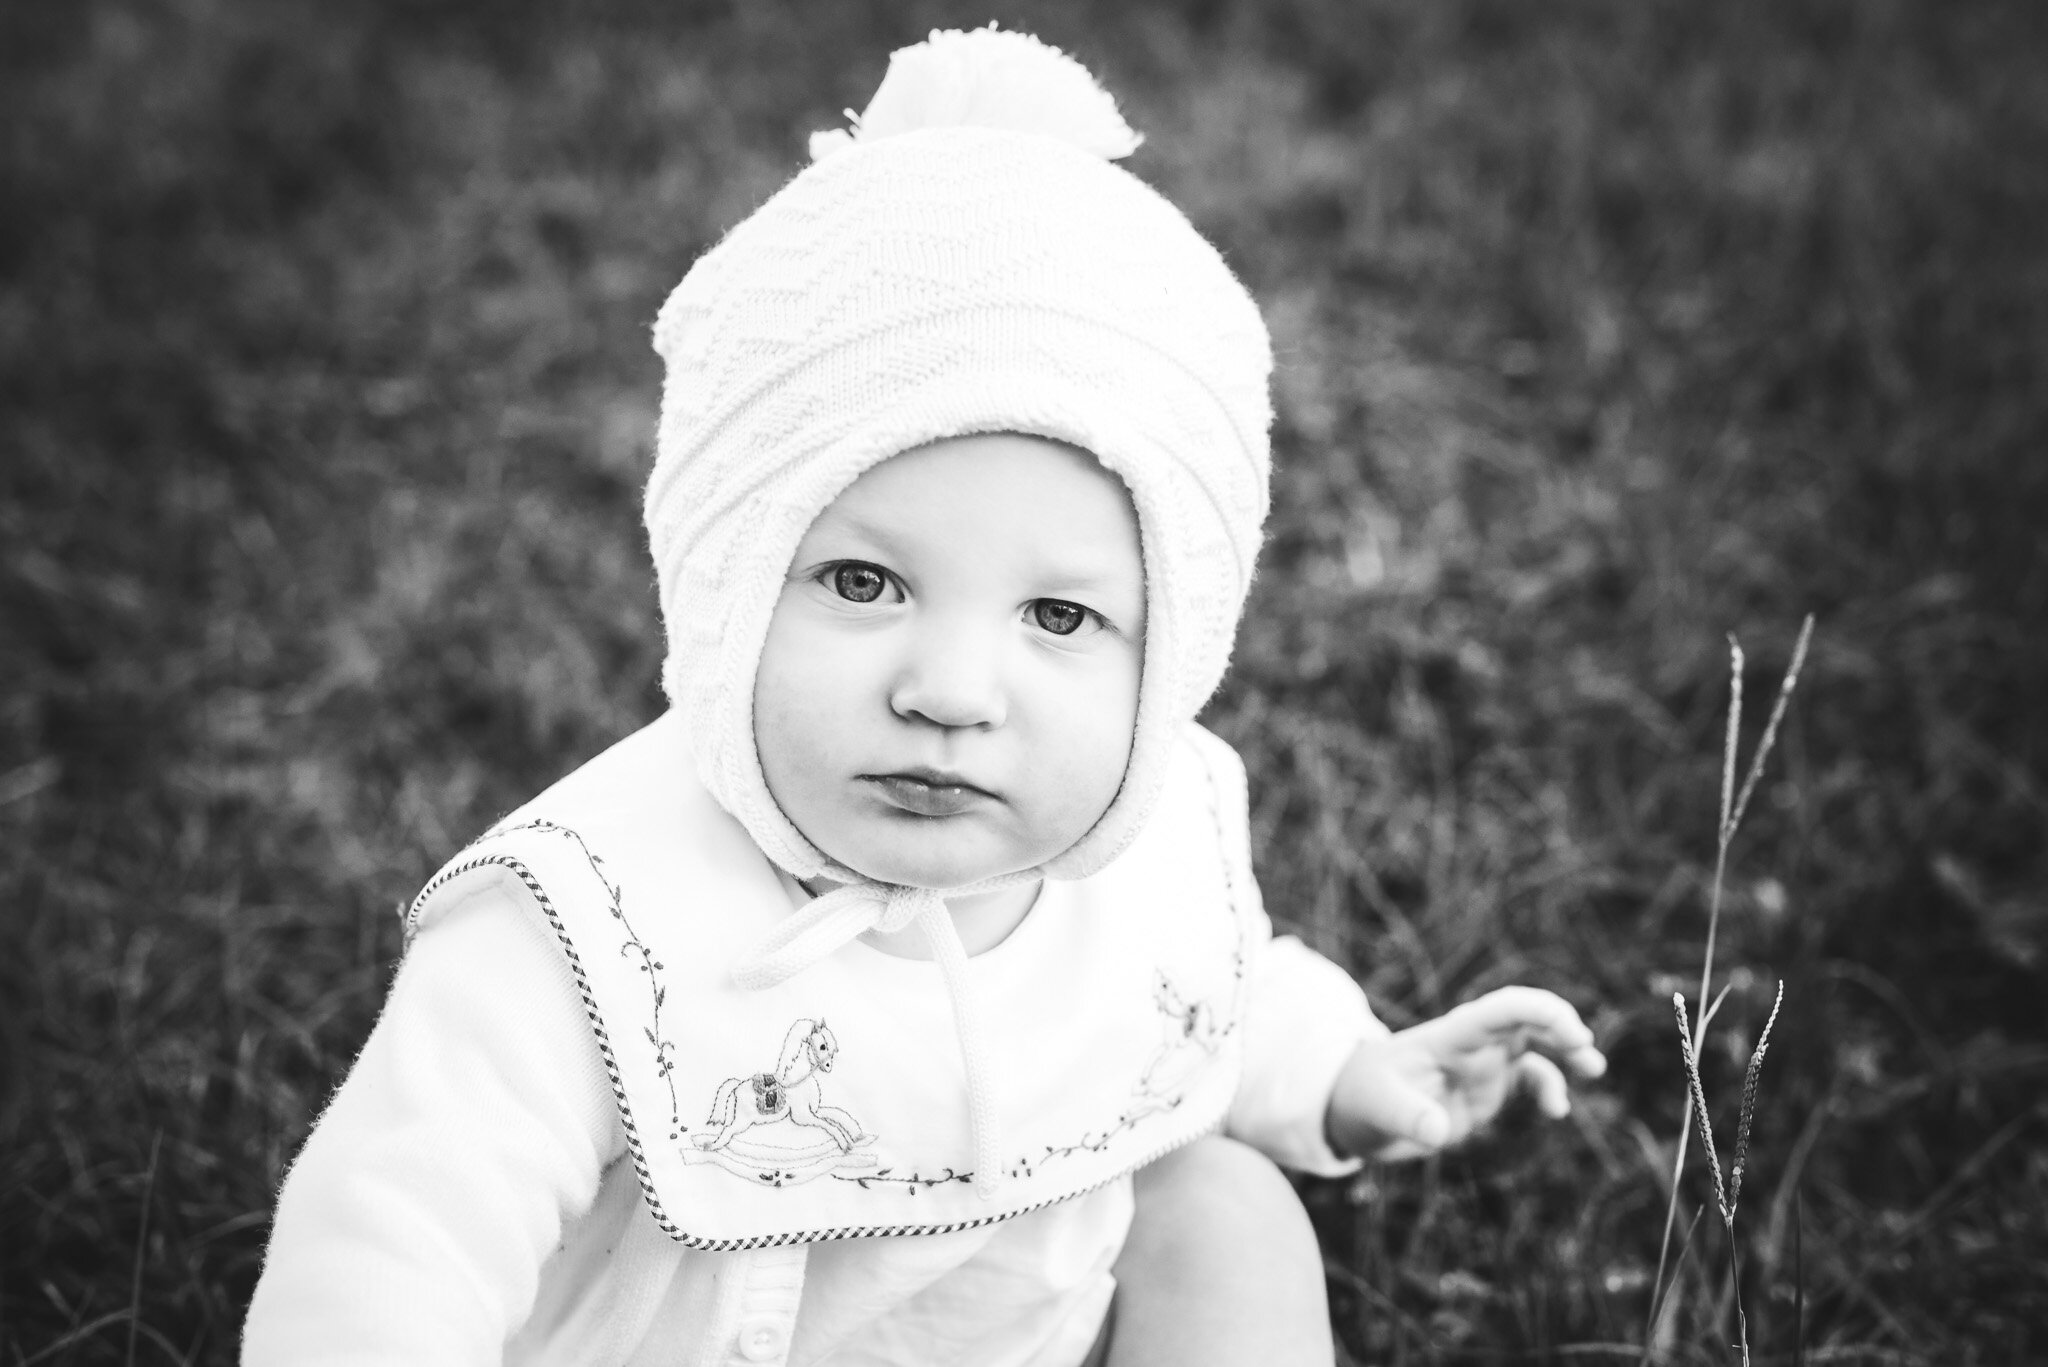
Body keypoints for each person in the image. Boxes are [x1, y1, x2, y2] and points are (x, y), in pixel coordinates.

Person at [242, 27, 1605, 1367]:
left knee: (1223, 1210)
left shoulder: (1137, 832)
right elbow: (397, 1233)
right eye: (861, 583)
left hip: (1026, 1336)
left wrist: (1358, 1077)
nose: (951, 692)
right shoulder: (587, 929)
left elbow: (1205, 993)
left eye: (1061, 616)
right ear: (726, 577)